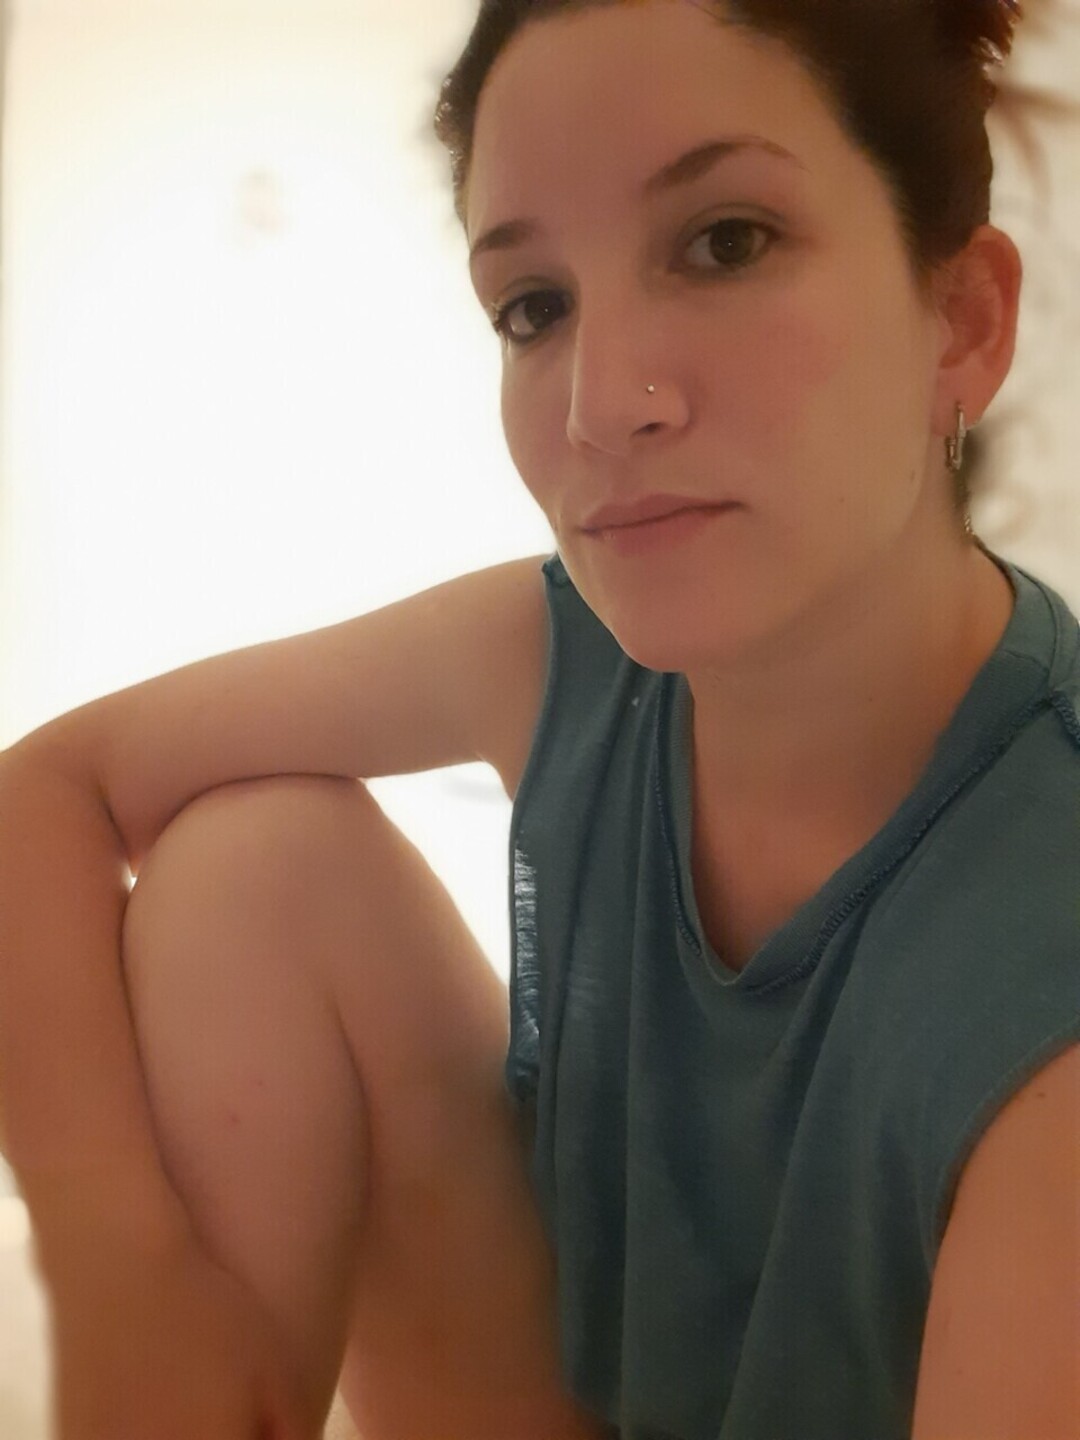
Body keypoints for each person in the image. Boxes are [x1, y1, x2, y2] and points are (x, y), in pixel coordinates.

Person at [0, 1, 1076, 1438]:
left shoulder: (1045, 959)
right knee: (252, 864)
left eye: (727, 242)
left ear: (963, 321)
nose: (600, 405)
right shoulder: (563, 658)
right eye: (534, 307)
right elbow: (45, 791)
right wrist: (118, 1262)